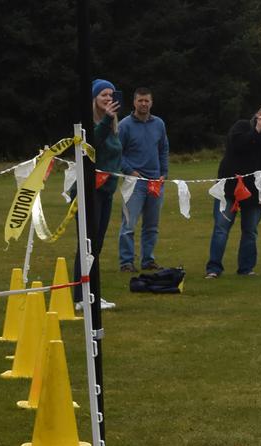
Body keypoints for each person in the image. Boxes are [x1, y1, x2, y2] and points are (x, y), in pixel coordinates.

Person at [205, 103, 261, 278]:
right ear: (259, 115)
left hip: (255, 192)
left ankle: (246, 268)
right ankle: (213, 269)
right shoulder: (242, 126)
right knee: (221, 229)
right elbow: (238, 145)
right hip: (230, 188)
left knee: (250, 231)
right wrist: (257, 129)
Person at [73, 79, 123, 311]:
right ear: (94, 98)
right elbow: (91, 145)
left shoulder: (112, 125)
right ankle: (81, 296)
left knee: (97, 245)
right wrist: (106, 120)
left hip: (106, 190)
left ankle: (92, 293)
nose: (108, 99)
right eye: (104, 94)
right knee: (87, 243)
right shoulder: (90, 124)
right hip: (89, 190)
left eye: (111, 95)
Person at [117, 87, 169, 272]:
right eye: (140, 100)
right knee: (129, 224)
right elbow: (117, 152)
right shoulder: (124, 125)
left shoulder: (159, 124)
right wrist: (129, 171)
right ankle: (126, 262)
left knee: (151, 226)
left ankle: (148, 260)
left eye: (147, 100)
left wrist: (164, 172)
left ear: (151, 102)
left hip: (156, 181)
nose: (144, 104)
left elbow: (163, 149)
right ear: (134, 102)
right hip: (134, 183)